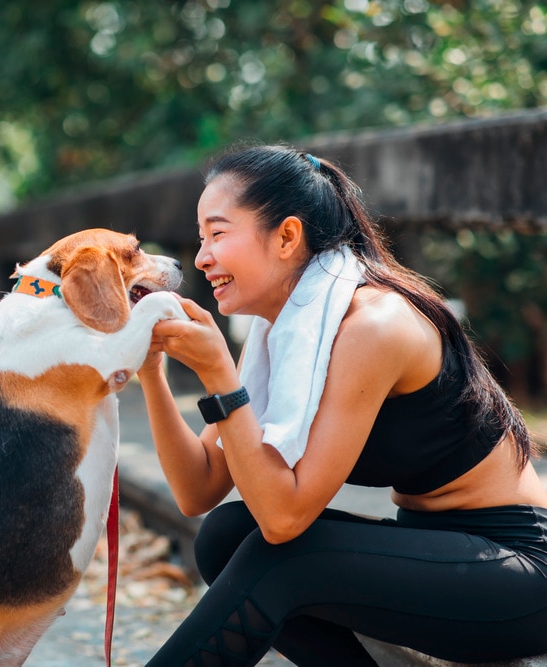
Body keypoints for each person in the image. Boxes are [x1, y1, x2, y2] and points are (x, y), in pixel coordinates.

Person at [139, 143, 547, 666]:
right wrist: (149, 370)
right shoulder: (276, 330)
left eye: (218, 234)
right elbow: (199, 491)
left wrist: (218, 374)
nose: (201, 258)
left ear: (287, 236)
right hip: (434, 552)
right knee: (224, 534)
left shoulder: (373, 325)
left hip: (514, 573)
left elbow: (284, 520)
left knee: (286, 557)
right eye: (201, 239)